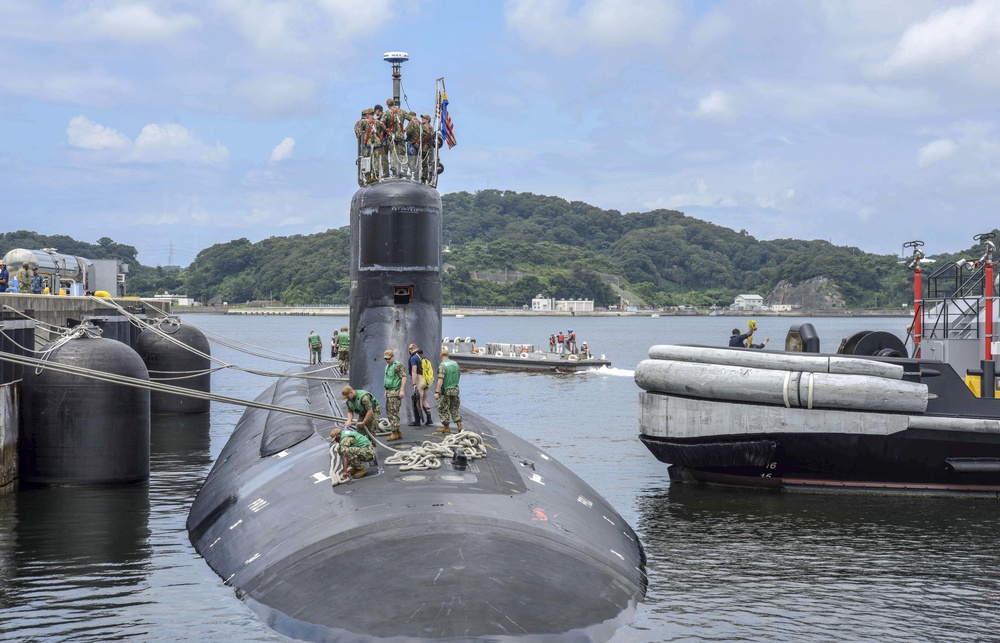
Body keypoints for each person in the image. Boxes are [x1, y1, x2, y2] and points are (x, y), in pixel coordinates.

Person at [434, 348, 462, 435]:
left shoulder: (442, 365)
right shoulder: (455, 364)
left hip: (446, 390)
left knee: (442, 408)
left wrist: (436, 391)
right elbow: (458, 376)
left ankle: (446, 427)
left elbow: (440, 379)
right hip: (455, 389)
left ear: (441, 356)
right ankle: (459, 425)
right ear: (448, 355)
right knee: (454, 408)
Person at [383, 349, 407, 441]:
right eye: (385, 359)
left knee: (393, 413)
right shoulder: (388, 366)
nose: (387, 360)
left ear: (392, 357)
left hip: (395, 392)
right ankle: (397, 431)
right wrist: (385, 390)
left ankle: (394, 432)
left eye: (388, 358)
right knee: (390, 412)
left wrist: (401, 390)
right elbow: (387, 378)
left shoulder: (398, 365)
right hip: (389, 392)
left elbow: (404, 377)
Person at [380, 98, 407, 177]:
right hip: (400, 136)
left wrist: (385, 128)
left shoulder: (387, 112)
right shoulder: (402, 111)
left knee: (393, 152)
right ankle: (405, 169)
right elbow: (411, 119)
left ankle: (393, 168)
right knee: (402, 153)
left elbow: (381, 122)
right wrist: (405, 129)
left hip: (391, 136)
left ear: (388, 105)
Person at [408, 343, 432, 427]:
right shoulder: (424, 356)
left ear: (411, 350)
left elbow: (414, 371)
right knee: (424, 400)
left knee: (418, 401)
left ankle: (418, 421)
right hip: (427, 380)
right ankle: (429, 419)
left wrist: (414, 383)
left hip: (419, 379)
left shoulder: (414, 358)